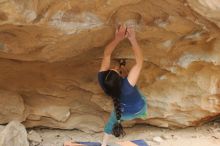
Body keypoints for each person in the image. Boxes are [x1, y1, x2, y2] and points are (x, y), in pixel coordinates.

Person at [98, 25, 147, 146]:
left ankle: (104, 144)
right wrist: (132, 39)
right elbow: (139, 62)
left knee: (111, 122)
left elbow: (106, 55)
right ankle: (125, 68)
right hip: (140, 110)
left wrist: (117, 39)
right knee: (134, 86)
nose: (115, 67)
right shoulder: (127, 87)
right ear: (121, 79)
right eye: (117, 70)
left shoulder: (104, 83)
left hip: (122, 113)